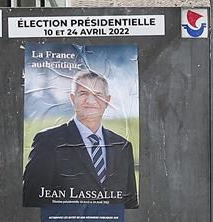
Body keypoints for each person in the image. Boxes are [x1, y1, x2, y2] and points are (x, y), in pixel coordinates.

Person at [20, 68, 138, 207]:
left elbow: (130, 205)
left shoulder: (123, 146)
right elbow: (31, 199)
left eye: (97, 94)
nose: (91, 101)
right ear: (72, 99)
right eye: (83, 93)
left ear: (107, 101)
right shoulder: (48, 141)